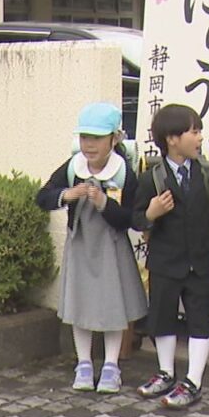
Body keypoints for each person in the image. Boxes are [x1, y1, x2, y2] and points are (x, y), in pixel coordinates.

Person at [36, 102, 147, 394]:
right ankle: (83, 364)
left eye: (97, 138)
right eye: (85, 137)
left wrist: (105, 205)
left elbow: (132, 219)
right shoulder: (73, 167)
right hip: (81, 243)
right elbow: (42, 197)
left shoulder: (124, 172)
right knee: (80, 302)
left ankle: (111, 366)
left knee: (112, 304)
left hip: (111, 246)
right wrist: (67, 195)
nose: (89, 145)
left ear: (115, 138)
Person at [132, 105, 209, 411]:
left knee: (200, 319)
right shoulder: (152, 177)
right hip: (164, 262)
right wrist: (152, 212)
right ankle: (166, 372)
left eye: (199, 131)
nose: (200, 138)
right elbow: (136, 219)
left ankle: (194, 381)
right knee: (162, 317)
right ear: (172, 139)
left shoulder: (208, 174)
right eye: (194, 131)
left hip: (201, 261)